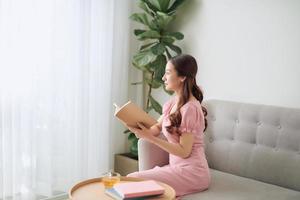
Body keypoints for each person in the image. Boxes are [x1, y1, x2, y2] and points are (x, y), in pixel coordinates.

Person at [126, 54, 211, 198]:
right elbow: (157, 127)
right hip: (177, 168)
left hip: (193, 172)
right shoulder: (173, 102)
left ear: (182, 77)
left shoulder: (190, 108)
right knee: (133, 183)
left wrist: (150, 138)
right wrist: (137, 125)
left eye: (168, 72)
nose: (163, 78)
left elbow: (184, 151)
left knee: (131, 180)